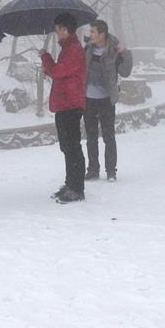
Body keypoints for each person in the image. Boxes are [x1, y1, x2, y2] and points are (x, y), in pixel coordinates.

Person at [41, 13, 88, 204]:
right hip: (64, 104)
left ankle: (77, 188)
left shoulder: (74, 49)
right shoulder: (68, 48)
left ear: (65, 30)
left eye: (58, 28)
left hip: (70, 104)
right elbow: (60, 72)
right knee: (67, 147)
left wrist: (46, 58)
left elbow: (59, 71)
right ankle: (70, 184)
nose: (56, 32)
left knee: (72, 147)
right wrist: (49, 67)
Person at [83, 20, 133, 182]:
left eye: (93, 32)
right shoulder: (88, 49)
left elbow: (125, 72)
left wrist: (125, 53)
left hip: (106, 99)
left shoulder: (114, 51)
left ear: (102, 34)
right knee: (90, 137)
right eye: (90, 32)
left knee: (108, 136)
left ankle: (111, 170)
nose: (90, 35)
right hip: (88, 99)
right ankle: (93, 170)